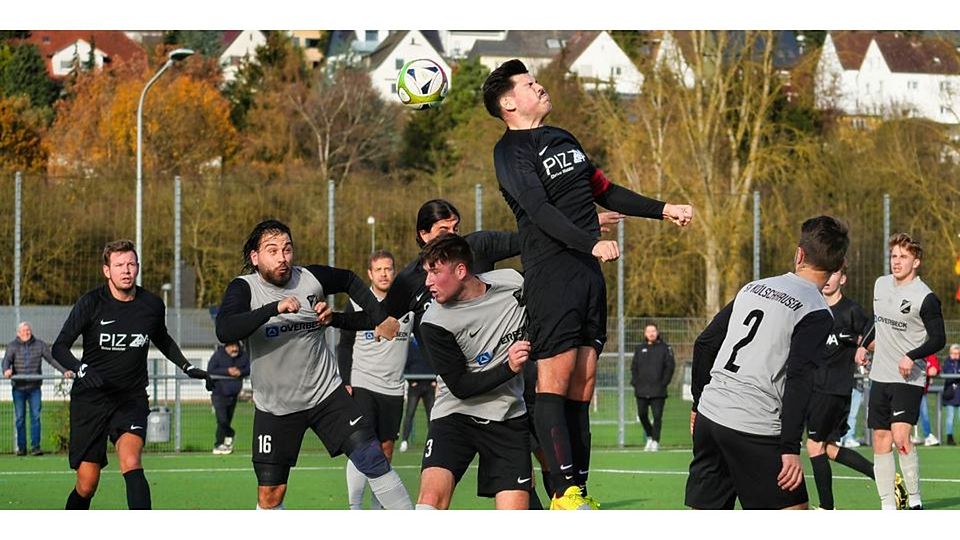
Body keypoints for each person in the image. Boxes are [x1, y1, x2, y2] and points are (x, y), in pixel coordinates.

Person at [482, 58, 694, 509]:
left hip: (587, 276)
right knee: (555, 380)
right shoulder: (509, 152)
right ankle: (562, 492)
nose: (539, 87)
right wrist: (590, 242)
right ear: (507, 103)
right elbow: (539, 211)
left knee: (584, 382)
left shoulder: (562, 137)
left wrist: (663, 209)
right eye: (529, 84)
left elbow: (605, 189)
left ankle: (579, 489)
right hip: (552, 273)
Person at [214, 219, 412, 510]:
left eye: (287, 249)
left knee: (373, 459)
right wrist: (273, 309)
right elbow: (225, 329)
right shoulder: (244, 289)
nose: (282, 257)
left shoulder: (310, 278)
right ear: (255, 258)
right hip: (276, 407)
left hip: (326, 396)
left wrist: (379, 317)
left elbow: (348, 279)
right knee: (271, 495)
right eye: (272, 250)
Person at [686, 216, 849, 510]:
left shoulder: (753, 287)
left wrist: (698, 403)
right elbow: (800, 378)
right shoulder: (816, 311)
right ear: (837, 267)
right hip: (753, 424)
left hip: (711, 415)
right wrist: (789, 448)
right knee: (793, 510)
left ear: (799, 254)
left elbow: (705, 343)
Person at [52, 239, 212, 510]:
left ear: (137, 267)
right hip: (91, 400)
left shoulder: (151, 305)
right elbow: (59, 347)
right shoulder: (90, 303)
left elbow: (162, 338)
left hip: (130, 398)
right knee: (87, 484)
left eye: (131, 264)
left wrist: (187, 366)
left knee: (131, 461)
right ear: (107, 271)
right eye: (119, 265)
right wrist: (81, 369)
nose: (126, 270)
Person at [414, 234, 532, 510]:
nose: (428, 281)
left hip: (508, 417)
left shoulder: (513, 282)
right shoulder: (433, 322)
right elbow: (461, 386)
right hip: (455, 415)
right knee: (429, 503)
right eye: (426, 273)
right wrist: (509, 368)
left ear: (461, 270)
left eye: (435, 272)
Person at [856, 232, 946, 510]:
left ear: (915, 262)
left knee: (901, 438)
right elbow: (877, 319)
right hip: (879, 376)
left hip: (908, 378)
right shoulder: (881, 285)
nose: (896, 261)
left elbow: (938, 339)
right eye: (894, 256)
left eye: (903, 257)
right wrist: (862, 344)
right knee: (880, 440)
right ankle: (888, 506)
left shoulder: (925, 297)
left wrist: (912, 355)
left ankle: (915, 501)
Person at [336, 250, 415, 510]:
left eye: (389, 268)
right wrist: (346, 380)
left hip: (393, 388)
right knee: (364, 445)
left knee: (386, 449)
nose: (384, 273)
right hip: (363, 383)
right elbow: (344, 345)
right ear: (370, 274)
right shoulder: (358, 303)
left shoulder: (409, 306)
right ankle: (354, 507)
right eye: (378, 269)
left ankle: (377, 512)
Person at [804, 265, 876, 510]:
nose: (827, 279)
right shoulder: (811, 306)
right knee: (830, 449)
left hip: (832, 389)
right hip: (814, 387)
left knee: (814, 446)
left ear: (842, 279)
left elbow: (873, 340)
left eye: (834, 274)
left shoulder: (851, 311)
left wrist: (859, 343)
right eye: (825, 273)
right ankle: (883, 476)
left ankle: (826, 509)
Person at [3, 322, 73, 456]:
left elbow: (52, 360)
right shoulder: (12, 346)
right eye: (23, 331)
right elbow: (6, 360)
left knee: (35, 417)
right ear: (18, 333)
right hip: (18, 388)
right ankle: (21, 448)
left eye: (28, 330)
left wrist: (64, 371)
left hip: (35, 388)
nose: (26, 333)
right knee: (20, 418)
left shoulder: (39, 345)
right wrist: (6, 370)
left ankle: (36, 447)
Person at [630, 323, 675, 452]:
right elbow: (634, 367)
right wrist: (635, 382)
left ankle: (655, 441)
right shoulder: (639, 348)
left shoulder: (665, 348)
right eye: (648, 331)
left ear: (657, 332)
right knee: (642, 415)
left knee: (657, 416)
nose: (651, 333)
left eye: (653, 330)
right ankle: (650, 436)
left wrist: (664, 383)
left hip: (658, 390)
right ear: (645, 333)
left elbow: (670, 367)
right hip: (641, 390)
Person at [206, 341, 250, 455]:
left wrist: (240, 372)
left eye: (236, 346)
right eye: (231, 346)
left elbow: (249, 368)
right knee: (222, 419)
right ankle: (230, 434)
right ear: (226, 347)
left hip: (233, 395)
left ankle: (220, 444)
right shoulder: (218, 355)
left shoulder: (243, 356)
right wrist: (227, 371)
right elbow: (210, 370)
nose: (234, 349)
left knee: (226, 421)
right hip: (218, 393)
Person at [398, 335, 436, 453]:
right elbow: (405, 364)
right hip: (415, 385)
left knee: (432, 415)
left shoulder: (430, 345)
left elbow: (436, 362)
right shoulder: (410, 346)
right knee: (410, 413)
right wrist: (411, 380)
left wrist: (434, 379)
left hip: (429, 385)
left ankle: (431, 442)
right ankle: (404, 441)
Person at [914, 354, 941, 446]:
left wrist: (934, 369)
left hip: (921, 391)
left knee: (924, 414)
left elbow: (935, 367)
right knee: (904, 414)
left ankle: (927, 436)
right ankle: (902, 436)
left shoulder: (929, 354)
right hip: (905, 391)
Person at [941, 344, 960, 446]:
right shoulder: (947, 362)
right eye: (954, 353)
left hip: (959, 394)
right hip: (950, 394)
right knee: (950, 417)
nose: (956, 355)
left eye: (958, 353)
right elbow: (948, 373)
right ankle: (949, 437)